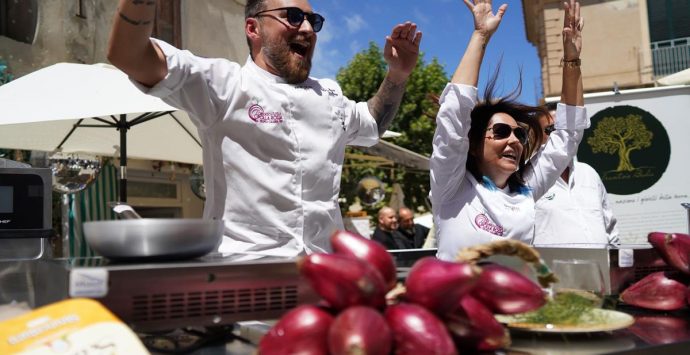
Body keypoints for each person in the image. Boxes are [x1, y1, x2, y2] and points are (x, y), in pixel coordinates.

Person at [107, 0, 422, 257]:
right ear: (252, 27)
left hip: (322, 275)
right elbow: (129, 54)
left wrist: (397, 74)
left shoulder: (330, 96)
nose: (309, 28)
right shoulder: (222, 84)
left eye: (315, 21)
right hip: (242, 273)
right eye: (294, 17)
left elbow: (371, 123)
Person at [430, 0, 589, 261]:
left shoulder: (525, 189)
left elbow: (569, 134)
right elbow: (453, 113)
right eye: (501, 131)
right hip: (457, 300)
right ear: (472, 143)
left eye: (520, 134)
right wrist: (480, 36)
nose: (514, 140)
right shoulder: (451, 185)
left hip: (517, 299)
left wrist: (572, 60)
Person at [533, 103, 620, 247]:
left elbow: (610, 226)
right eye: (552, 129)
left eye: (565, 128)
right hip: (552, 269)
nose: (561, 135)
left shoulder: (589, 173)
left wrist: (614, 263)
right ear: (536, 137)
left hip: (600, 267)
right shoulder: (529, 179)